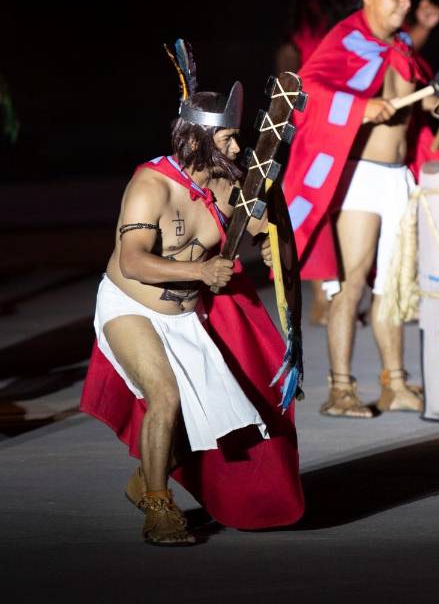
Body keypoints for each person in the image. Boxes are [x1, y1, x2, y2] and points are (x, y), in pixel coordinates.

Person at [80, 46, 303, 545]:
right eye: (226, 138)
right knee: (166, 396)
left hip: (187, 317)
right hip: (131, 307)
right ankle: (159, 508)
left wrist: (274, 245)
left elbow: (265, 229)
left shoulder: (227, 185)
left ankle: (144, 480)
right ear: (198, 139)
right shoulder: (151, 185)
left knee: (208, 418)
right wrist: (201, 269)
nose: (236, 147)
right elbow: (133, 260)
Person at [282, 0, 439, 418]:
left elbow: (418, 89)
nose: (405, 1)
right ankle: (341, 389)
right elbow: (308, 88)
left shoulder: (399, 45)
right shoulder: (347, 38)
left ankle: (394, 384)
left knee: (392, 285)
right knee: (352, 284)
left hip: (397, 179)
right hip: (359, 177)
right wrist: (361, 107)